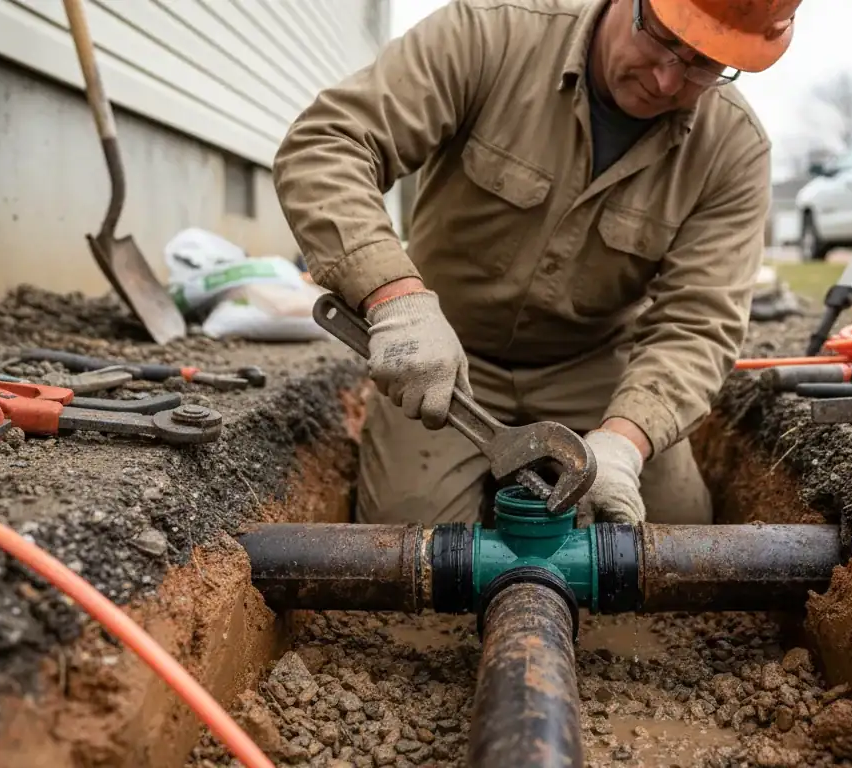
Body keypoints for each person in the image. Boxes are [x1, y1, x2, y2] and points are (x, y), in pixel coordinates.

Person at [274, 0, 798, 526]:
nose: (666, 81)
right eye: (660, 38)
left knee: (672, 538)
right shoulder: (489, 33)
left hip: (593, 370)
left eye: (703, 63)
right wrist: (395, 299)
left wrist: (623, 444)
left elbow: (698, 325)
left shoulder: (734, 149)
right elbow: (327, 144)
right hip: (446, 358)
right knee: (410, 544)